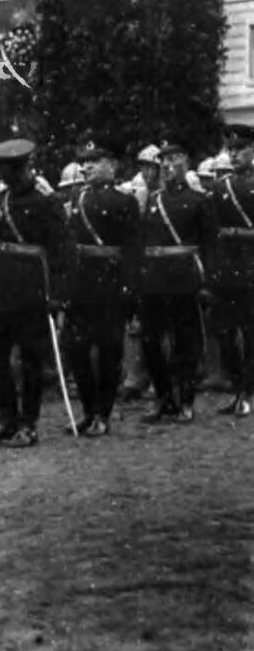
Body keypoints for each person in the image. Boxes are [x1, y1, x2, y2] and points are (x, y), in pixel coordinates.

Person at [0, 139, 73, 448]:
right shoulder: (0, 200)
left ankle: (28, 424)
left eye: (5, 169)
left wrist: (58, 294)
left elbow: (62, 250)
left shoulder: (46, 201)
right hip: (0, 289)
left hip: (32, 289)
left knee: (31, 361)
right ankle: (7, 420)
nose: (1, 174)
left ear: (19, 168)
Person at [63, 138, 140, 437]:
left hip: (110, 284)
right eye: (85, 162)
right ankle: (88, 410)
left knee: (109, 351)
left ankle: (103, 414)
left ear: (112, 165)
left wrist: (130, 288)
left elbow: (133, 250)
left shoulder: (125, 202)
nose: (87, 167)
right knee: (76, 349)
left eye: (94, 161)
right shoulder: (77, 199)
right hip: (80, 284)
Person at [138, 138, 216, 424]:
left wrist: (207, 284)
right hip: (154, 279)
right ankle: (164, 398)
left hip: (185, 278)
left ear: (186, 164)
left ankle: (186, 400)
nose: (168, 166)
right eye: (164, 162)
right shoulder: (153, 200)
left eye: (175, 160)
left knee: (187, 343)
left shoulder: (199, 201)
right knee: (150, 342)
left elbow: (210, 245)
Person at [209, 126, 254, 417]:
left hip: (252, 265)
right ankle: (239, 387)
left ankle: (246, 392)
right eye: (231, 150)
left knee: (251, 333)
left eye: (241, 149)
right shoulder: (219, 188)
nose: (235, 155)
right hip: (226, 267)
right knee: (223, 331)